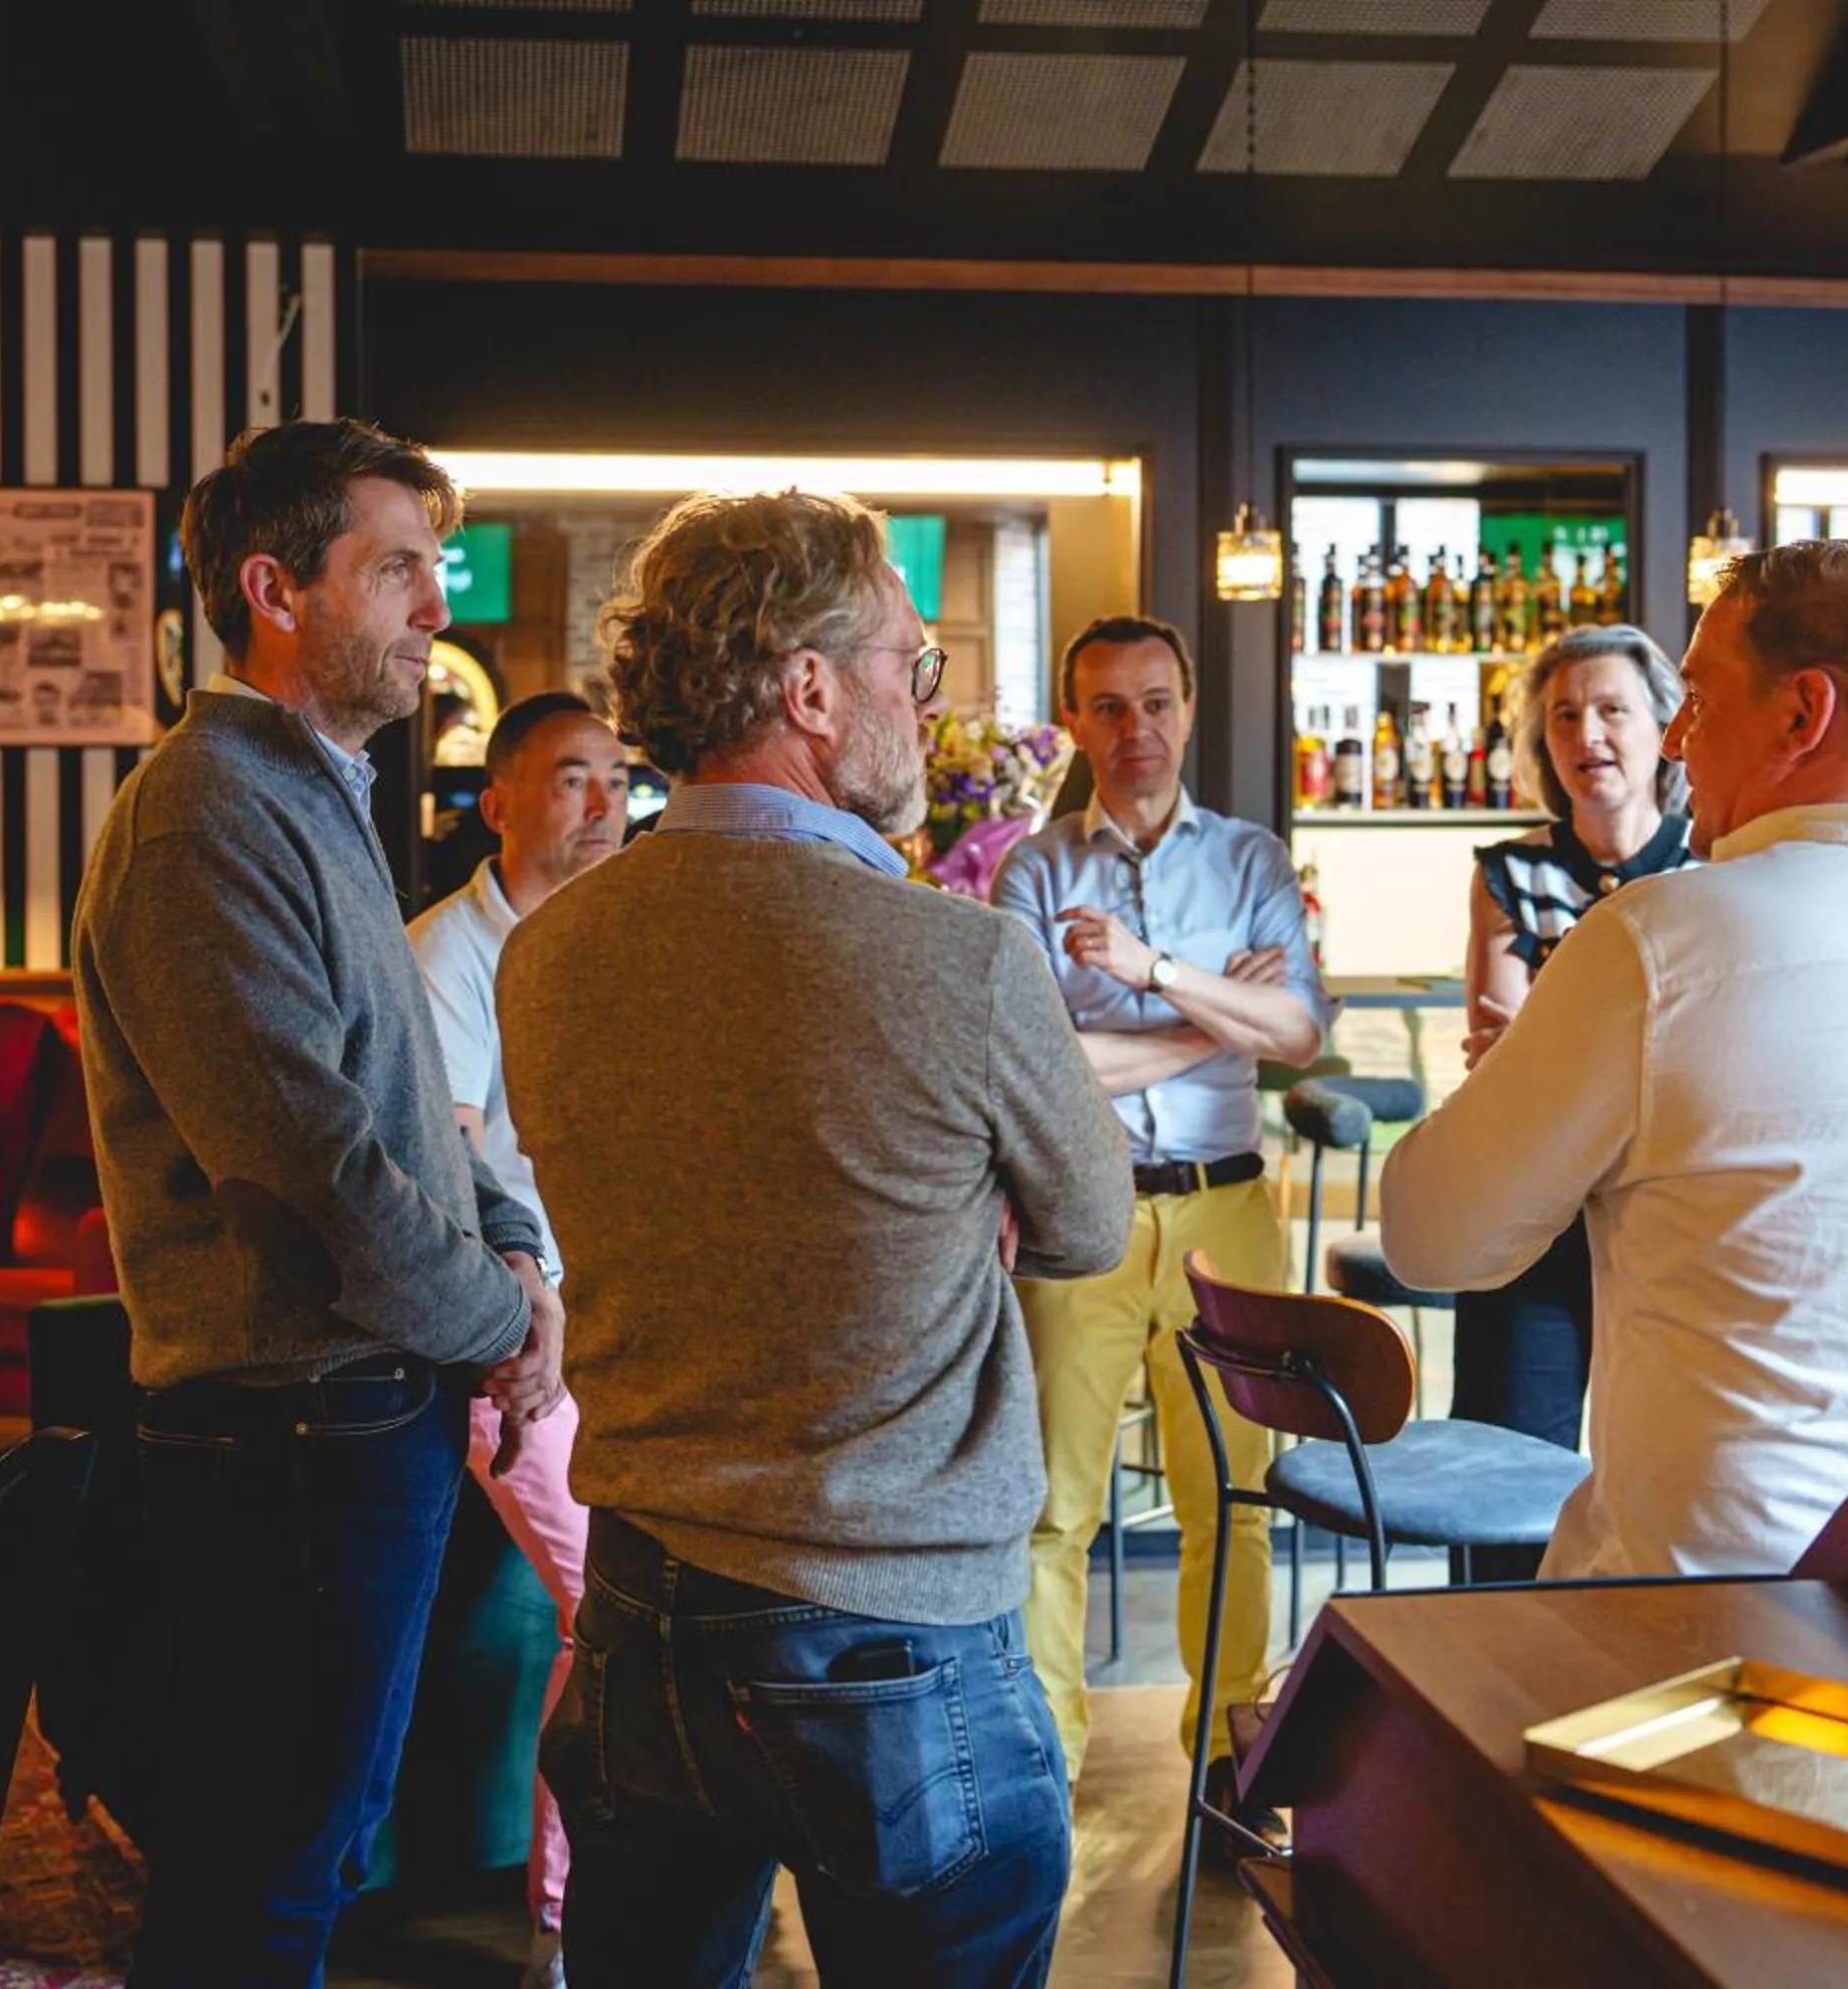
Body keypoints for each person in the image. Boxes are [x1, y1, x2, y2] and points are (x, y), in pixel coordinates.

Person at [500, 489, 1134, 1986]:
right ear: (807, 690)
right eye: (910, 670)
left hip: (644, 1605)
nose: (928, 708)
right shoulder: (958, 956)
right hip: (893, 1627)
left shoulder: (549, 953)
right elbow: (1091, 1225)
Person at [1376, 539, 1848, 1578]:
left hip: (1723, 1625)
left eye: (1696, 695)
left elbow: (1432, 1238)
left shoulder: (1660, 941)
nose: (1680, 739)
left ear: (1802, 714)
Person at [74, 418, 565, 1986]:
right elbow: (308, 1176)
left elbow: (413, 1104)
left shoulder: (315, 790)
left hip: (350, 1412)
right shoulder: (206, 808)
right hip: (290, 1431)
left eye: (436, 567)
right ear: (276, 589)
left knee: (310, 1843)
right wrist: (505, 1322)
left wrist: (511, 1249)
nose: (438, 608)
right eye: (401, 570)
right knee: (267, 1870)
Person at [991, 614, 1328, 1846]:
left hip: (1228, 1212)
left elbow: (1297, 1038)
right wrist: (1212, 1014)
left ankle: (1232, 1773)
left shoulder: (1250, 859)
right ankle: (1046, 1764)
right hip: (1078, 1213)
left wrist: (1150, 969)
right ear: (1074, 721)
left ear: (1189, 706)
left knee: (1234, 1497)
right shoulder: (1031, 872)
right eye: (1109, 706)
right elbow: (1040, 1067)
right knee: (1053, 1507)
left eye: (1157, 701)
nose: (1138, 729)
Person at [407, 689, 629, 1989]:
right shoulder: (445, 957)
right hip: (514, 1348)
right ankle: (567, 1910)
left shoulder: (616, 944)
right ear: (496, 801)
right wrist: (524, 1314)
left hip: (633, 1331)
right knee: (604, 1601)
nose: (601, 803)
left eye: (615, 778)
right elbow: (453, 1175)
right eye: (569, 779)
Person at [1454, 624, 1693, 1560]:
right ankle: (1488, 1684)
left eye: (1611, 710)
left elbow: (1537, 1050)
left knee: (1674, 1484)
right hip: (1538, 1219)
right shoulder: (1510, 872)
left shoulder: (1708, 865)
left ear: (1664, 729)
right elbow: (1496, 1054)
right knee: (1506, 1475)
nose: (1587, 732)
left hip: (1674, 1220)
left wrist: (1557, 1052)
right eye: (1564, 715)